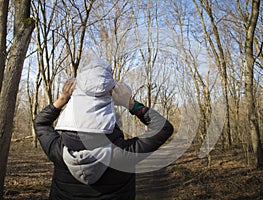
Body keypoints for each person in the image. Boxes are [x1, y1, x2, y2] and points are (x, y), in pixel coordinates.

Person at [34, 52, 174, 200]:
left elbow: (40, 122)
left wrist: (62, 99)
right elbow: (163, 128)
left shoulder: (59, 152)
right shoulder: (123, 154)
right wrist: (131, 104)